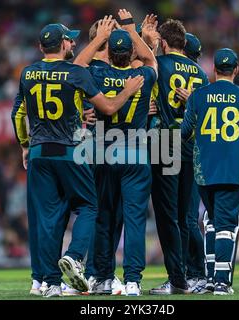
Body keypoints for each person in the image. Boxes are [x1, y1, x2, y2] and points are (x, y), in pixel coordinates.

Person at [11, 22, 144, 297]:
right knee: (88, 206)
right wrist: (128, 91)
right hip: (69, 151)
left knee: (47, 219)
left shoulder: (27, 73)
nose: (73, 44)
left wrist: (25, 145)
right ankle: (74, 256)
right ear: (61, 45)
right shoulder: (75, 73)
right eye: (70, 41)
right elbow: (107, 107)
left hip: (38, 152)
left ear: (40, 47)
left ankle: (49, 283)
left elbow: (18, 114)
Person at [75, 9, 157, 296]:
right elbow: (150, 58)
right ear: (129, 52)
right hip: (136, 152)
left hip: (102, 152)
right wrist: (133, 30)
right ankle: (132, 280)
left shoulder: (97, 72)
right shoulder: (144, 75)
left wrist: (99, 38)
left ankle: (102, 277)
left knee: (103, 216)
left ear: (108, 52)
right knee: (134, 220)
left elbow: (78, 64)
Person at [181, 48, 239, 295]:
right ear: (236, 69)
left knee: (211, 221)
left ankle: (209, 278)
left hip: (204, 171)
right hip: (232, 169)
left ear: (214, 70)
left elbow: (185, 133)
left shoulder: (197, 97)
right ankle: (220, 282)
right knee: (227, 224)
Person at [149, 19, 208, 295]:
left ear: (163, 42)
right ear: (184, 43)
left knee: (167, 215)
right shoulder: (201, 73)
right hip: (192, 145)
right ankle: (184, 274)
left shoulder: (158, 64)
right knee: (185, 216)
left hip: (165, 140)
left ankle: (177, 279)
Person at [177, 32, 208, 293]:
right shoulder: (203, 78)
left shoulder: (168, 67)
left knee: (185, 218)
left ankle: (197, 271)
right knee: (184, 218)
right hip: (194, 151)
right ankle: (188, 271)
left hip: (180, 148)